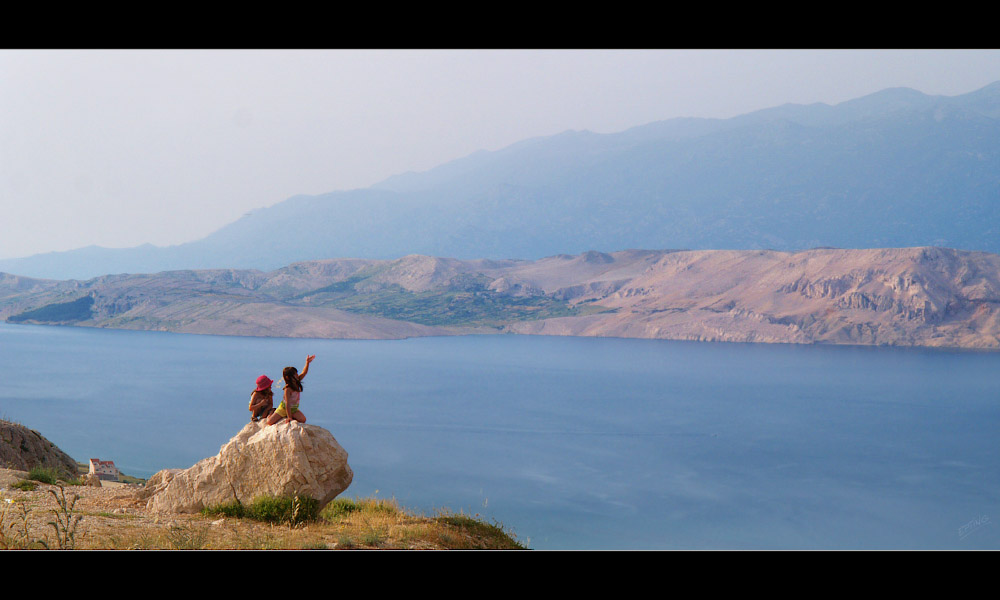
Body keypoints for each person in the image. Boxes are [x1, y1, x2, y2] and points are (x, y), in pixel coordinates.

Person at [266, 355, 315, 426]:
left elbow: (304, 372)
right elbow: (287, 403)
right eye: (294, 375)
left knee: (303, 419)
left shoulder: (297, 382)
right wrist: (289, 417)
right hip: (283, 409)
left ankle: (289, 415)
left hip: (294, 409)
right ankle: (271, 412)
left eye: (296, 374)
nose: (297, 376)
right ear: (288, 378)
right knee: (269, 422)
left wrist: (307, 363)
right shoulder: (287, 389)